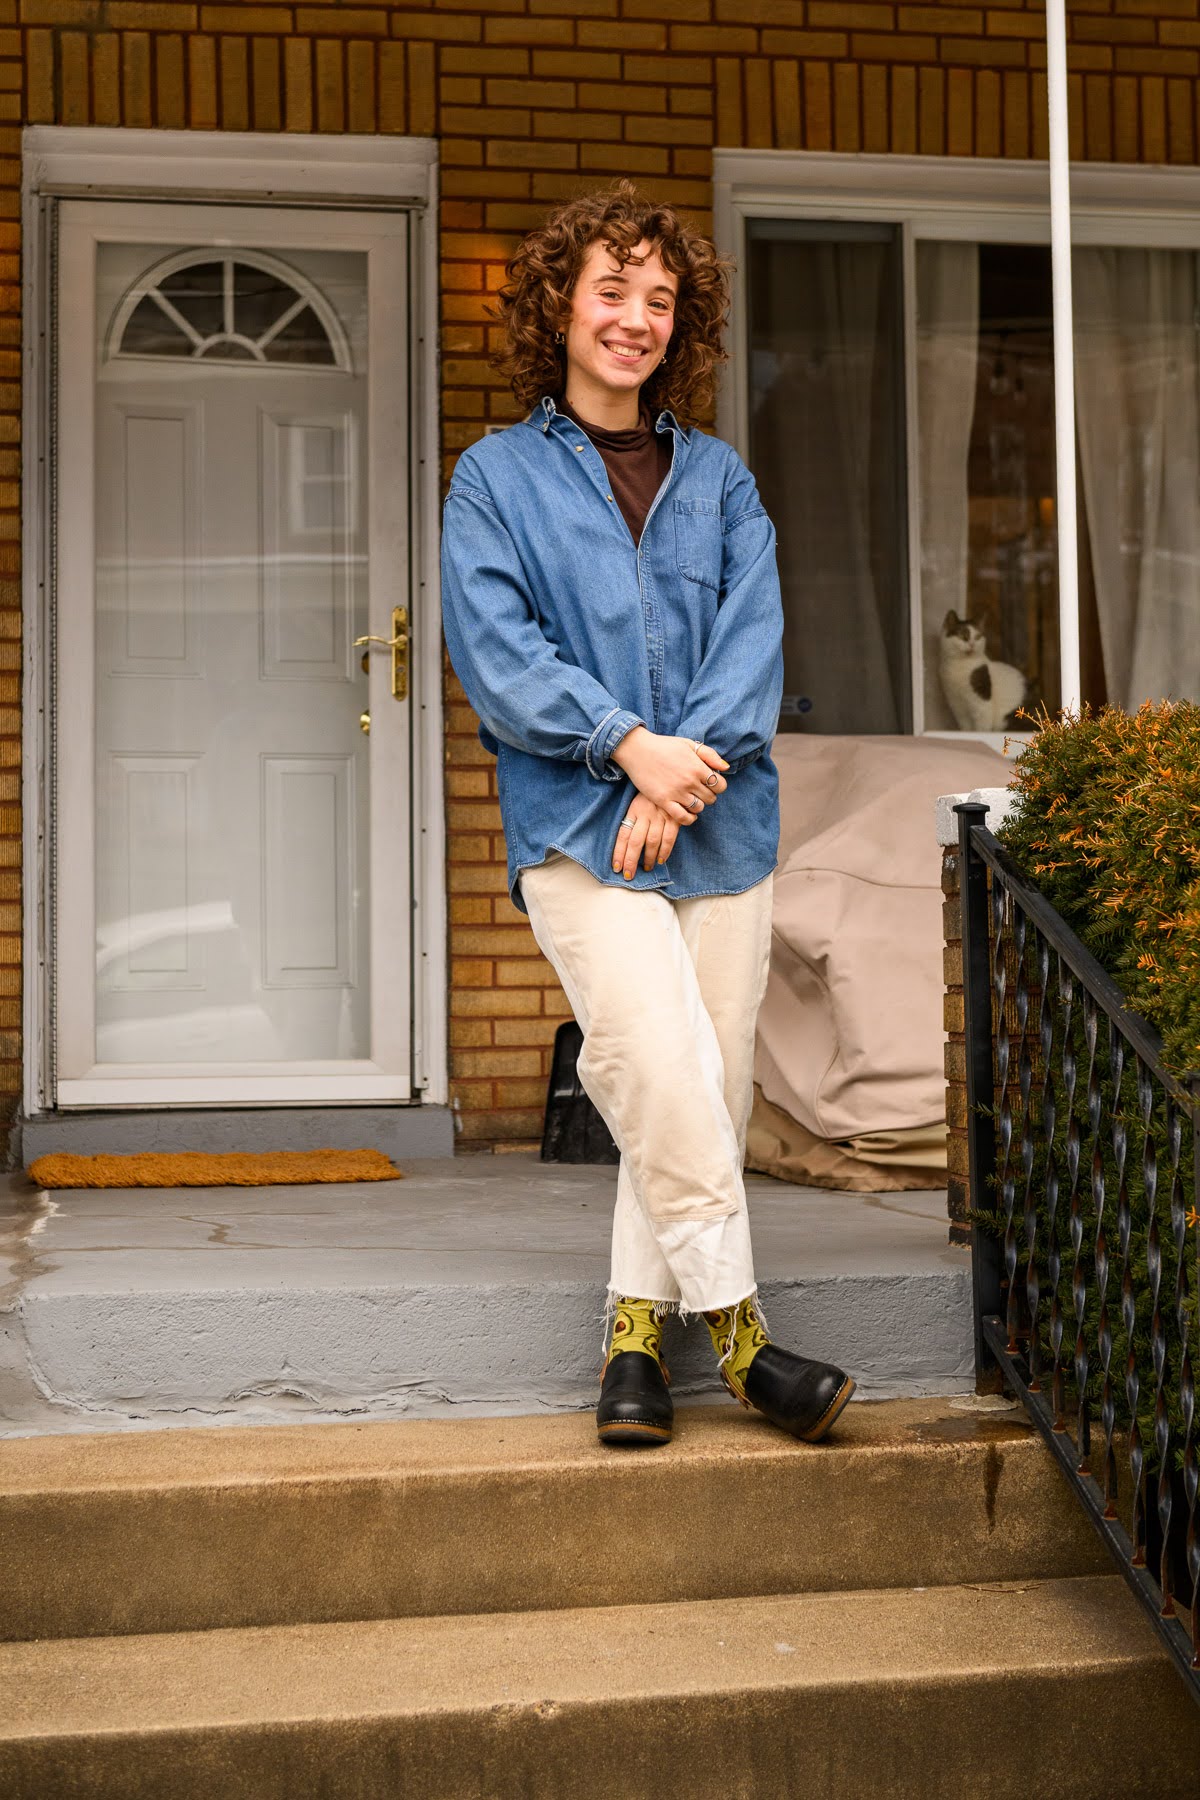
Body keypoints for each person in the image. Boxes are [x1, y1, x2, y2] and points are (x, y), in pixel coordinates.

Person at [440, 179, 855, 1449]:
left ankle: (631, 1342)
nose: (634, 318)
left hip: (717, 829)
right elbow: (500, 657)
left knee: (710, 1086)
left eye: (659, 299)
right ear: (561, 305)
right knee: (653, 1062)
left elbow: (750, 651)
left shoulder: (721, 482)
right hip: (576, 831)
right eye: (610, 290)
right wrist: (627, 751)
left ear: (684, 325)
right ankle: (738, 1340)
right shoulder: (494, 480)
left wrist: (679, 783)